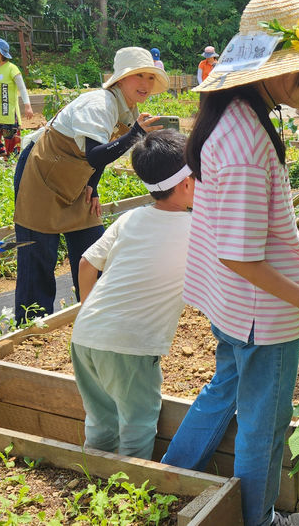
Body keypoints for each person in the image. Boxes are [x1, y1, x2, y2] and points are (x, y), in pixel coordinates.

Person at [158, 0, 299, 525]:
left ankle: (169, 476)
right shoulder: (243, 144)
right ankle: (260, 520)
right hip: (264, 313)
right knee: (264, 422)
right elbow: (241, 255)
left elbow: (253, 229)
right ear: (278, 72)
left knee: (224, 388)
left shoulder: (237, 115)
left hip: (236, 305)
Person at [13, 46, 168, 324]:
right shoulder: (100, 104)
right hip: (40, 174)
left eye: (150, 78)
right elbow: (95, 154)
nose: (145, 84)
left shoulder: (128, 110)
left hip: (75, 181)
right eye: (138, 76)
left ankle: (96, 318)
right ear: (120, 79)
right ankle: (32, 332)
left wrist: (93, 187)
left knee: (94, 247)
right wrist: (136, 134)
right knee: (38, 256)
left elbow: (99, 155)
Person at [70, 129, 194, 460]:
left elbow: (85, 264)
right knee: (138, 421)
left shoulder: (130, 218)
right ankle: (129, 488)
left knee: (101, 418)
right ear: (185, 183)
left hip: (85, 335)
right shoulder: (197, 229)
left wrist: (88, 310)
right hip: (131, 344)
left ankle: (96, 477)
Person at [0, 38, 33, 157]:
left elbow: (22, 88)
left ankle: (11, 160)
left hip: (7, 110)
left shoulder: (12, 68)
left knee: (10, 138)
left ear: (2, 53)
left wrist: (28, 106)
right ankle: (1, 155)